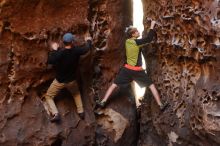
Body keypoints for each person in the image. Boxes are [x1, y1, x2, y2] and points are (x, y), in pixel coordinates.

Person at [97, 21, 168, 110]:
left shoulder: (127, 41)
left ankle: (103, 101)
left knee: (114, 85)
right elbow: (149, 39)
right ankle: (160, 105)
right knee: (151, 85)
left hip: (127, 70)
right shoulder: (137, 43)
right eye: (137, 31)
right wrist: (152, 26)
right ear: (133, 34)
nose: (138, 32)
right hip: (137, 71)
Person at [45, 32, 92, 122]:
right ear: (72, 42)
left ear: (63, 42)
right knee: (76, 94)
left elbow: (50, 60)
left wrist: (54, 50)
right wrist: (89, 40)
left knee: (49, 96)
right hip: (71, 81)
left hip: (59, 81)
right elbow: (86, 49)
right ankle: (81, 112)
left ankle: (55, 113)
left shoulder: (60, 53)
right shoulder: (76, 51)